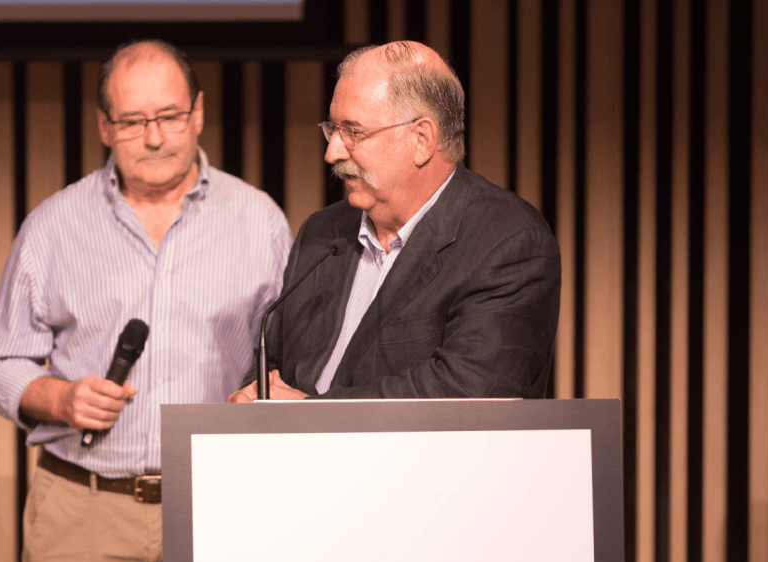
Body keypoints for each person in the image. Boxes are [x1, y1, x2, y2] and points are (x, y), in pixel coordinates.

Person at [0, 40, 291, 562]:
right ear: (104, 127)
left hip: (217, 507)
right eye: (133, 121)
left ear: (198, 114)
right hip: (84, 508)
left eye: (169, 116)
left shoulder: (259, 222)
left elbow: (292, 359)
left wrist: (273, 388)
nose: (153, 138)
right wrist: (58, 398)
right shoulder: (55, 225)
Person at [229, 41, 559, 403]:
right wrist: (252, 395)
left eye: (354, 132)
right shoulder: (322, 233)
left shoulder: (506, 240)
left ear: (422, 139)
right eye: (333, 129)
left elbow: (469, 390)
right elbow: (273, 360)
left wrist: (309, 414)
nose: (332, 152)